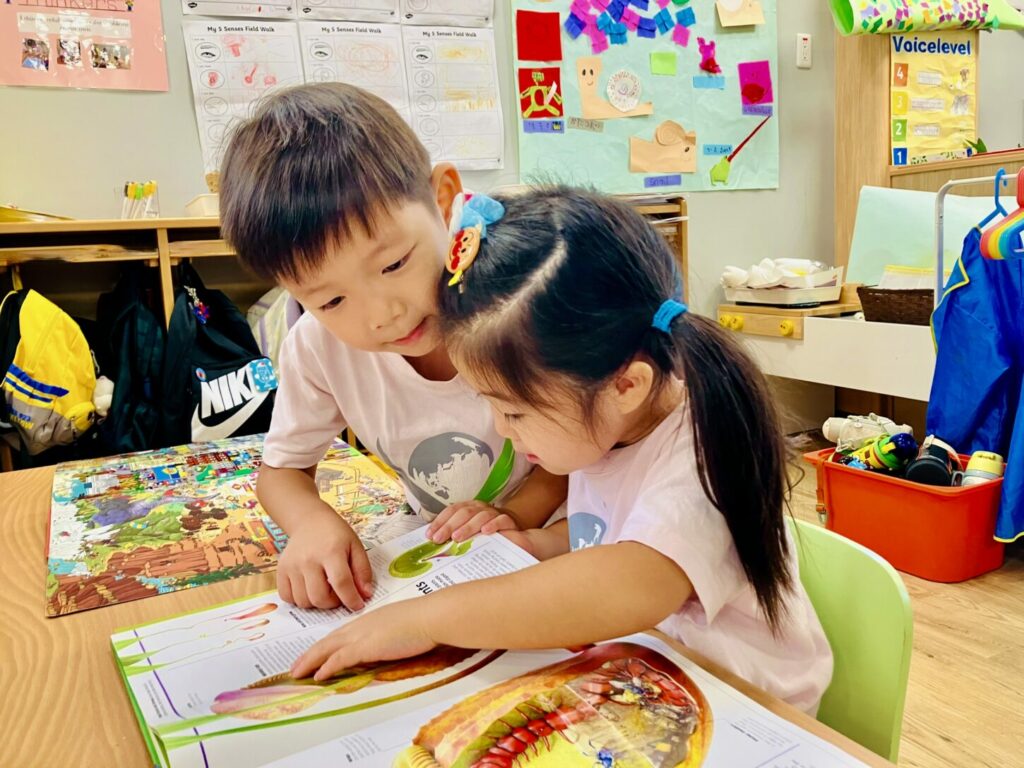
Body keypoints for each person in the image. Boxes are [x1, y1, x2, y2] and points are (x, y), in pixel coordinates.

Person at [290, 187, 833, 712]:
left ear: (626, 386)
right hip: (653, 674)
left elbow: (629, 583)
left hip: (747, 707)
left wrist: (424, 619)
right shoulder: (611, 427)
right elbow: (601, 530)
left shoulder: (700, 460)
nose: (502, 431)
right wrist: (538, 543)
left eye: (515, 412)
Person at [218, 84, 566, 613]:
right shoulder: (317, 346)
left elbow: (589, 440)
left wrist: (517, 514)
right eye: (332, 300)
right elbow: (282, 472)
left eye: (394, 264)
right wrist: (312, 524)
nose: (382, 315)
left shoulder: (515, 302)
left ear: (443, 200)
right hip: (449, 554)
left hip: (566, 539)